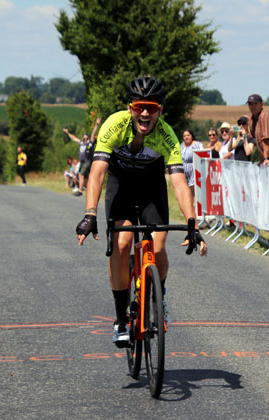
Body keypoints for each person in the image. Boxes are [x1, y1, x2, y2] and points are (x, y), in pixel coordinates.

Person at [75, 76, 207, 347]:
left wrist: (193, 222)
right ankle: (121, 320)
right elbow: (98, 171)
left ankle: (160, 296)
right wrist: (90, 213)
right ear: (130, 107)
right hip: (120, 185)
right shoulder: (114, 125)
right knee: (122, 245)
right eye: (139, 106)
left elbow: (179, 184)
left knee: (157, 248)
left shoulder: (167, 135)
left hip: (150, 188)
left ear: (160, 110)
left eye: (152, 107)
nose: (145, 113)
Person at [63, 117, 101, 196]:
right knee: (84, 177)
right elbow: (74, 138)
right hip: (82, 162)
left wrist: (96, 125)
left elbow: (93, 134)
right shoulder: (81, 143)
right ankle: (90, 190)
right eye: (84, 137)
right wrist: (68, 133)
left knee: (81, 175)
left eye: (86, 137)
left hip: (88, 161)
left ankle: (80, 191)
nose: (85, 139)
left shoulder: (90, 143)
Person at [180, 129, 204, 196]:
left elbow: (203, 155)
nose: (186, 137)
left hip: (194, 172)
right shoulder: (181, 146)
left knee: (193, 192)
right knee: (186, 193)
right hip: (184, 173)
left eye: (188, 135)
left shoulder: (197, 145)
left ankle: (194, 206)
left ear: (192, 136)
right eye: (184, 136)